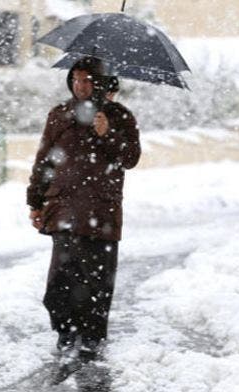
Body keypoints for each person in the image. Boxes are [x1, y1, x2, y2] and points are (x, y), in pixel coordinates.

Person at [27, 57, 141, 364]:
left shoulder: (119, 116)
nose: (80, 86)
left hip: (101, 212)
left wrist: (109, 135)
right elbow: (44, 160)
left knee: (97, 278)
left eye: (87, 80)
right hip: (63, 207)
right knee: (61, 278)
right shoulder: (59, 115)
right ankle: (66, 329)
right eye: (76, 80)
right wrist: (35, 201)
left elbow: (130, 158)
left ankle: (92, 335)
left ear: (101, 83)